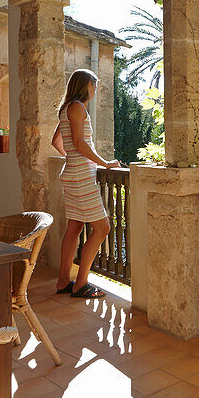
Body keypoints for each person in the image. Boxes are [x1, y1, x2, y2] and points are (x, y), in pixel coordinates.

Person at [51, 69, 121, 299]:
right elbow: (80, 143)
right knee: (103, 228)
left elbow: (56, 141)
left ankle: (63, 281)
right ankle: (81, 284)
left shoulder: (66, 108)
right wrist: (105, 163)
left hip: (72, 172)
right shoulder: (78, 108)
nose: (95, 90)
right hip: (81, 176)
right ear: (85, 86)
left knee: (75, 226)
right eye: (94, 85)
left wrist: (71, 157)